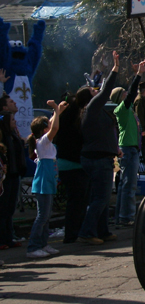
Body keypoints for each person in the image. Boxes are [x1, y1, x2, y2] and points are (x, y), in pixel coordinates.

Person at [77, 51, 121, 245]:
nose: (96, 91)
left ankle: (102, 230)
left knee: (101, 198)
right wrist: (115, 69)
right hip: (97, 160)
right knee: (101, 198)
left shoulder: (98, 112)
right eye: (92, 91)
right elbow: (105, 92)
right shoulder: (92, 108)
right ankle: (86, 232)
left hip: (102, 158)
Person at [25, 99, 67, 259]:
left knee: (46, 215)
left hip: (48, 182)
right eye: (47, 127)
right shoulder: (43, 141)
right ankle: (33, 247)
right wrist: (56, 110)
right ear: (44, 130)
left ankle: (43, 243)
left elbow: (51, 124)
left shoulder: (43, 141)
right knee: (42, 216)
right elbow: (55, 127)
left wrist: (59, 112)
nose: (50, 127)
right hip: (43, 183)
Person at [52, 87, 95, 243]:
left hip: (70, 163)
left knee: (78, 201)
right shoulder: (75, 116)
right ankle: (72, 233)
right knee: (77, 202)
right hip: (74, 163)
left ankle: (74, 232)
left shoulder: (69, 116)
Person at [112, 60, 145, 226]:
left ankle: (121, 215)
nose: (128, 94)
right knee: (129, 184)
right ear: (120, 97)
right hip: (127, 149)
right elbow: (133, 92)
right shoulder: (122, 109)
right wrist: (138, 74)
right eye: (124, 93)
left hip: (131, 148)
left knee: (124, 185)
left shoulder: (128, 111)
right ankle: (127, 216)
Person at [0, 108, 26, 250]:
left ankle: (9, 237)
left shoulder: (13, 135)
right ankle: (2, 238)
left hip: (15, 174)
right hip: (6, 176)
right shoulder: (3, 137)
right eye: (12, 120)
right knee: (3, 209)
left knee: (10, 208)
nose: (14, 122)